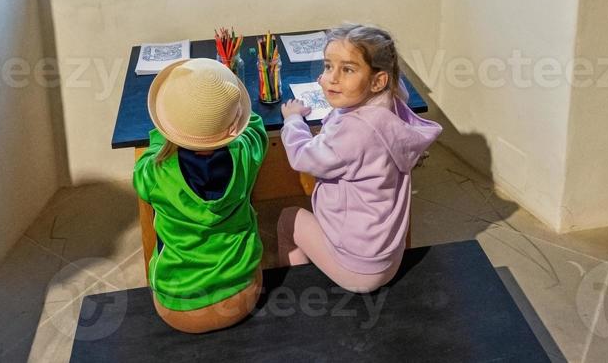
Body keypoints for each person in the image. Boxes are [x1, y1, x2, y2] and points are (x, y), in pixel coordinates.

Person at [278, 24, 442, 293]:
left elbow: (301, 157)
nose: (330, 79)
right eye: (328, 66)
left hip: (358, 268)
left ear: (378, 81)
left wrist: (294, 120)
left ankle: (300, 290)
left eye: (348, 69)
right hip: (387, 255)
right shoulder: (391, 106)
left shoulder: (354, 132)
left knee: (287, 218)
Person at [135, 57, 267, 333]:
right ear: (234, 127)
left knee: (156, 257)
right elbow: (254, 124)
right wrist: (224, 106)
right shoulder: (246, 154)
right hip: (244, 295)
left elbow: (143, 167)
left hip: (180, 311)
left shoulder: (155, 173)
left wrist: (164, 135)